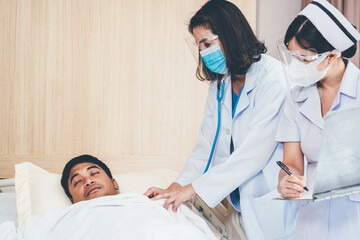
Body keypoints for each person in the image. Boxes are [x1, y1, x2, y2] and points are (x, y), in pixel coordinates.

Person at [145, 0, 296, 239]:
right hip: (238, 202)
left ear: (230, 35)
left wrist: (193, 190)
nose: (204, 53)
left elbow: (254, 153)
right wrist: (174, 188)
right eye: (199, 46)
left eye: (207, 43)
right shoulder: (220, 83)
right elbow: (206, 145)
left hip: (270, 195)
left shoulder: (273, 78)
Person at [276, 0, 360, 239]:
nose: (296, 66)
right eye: (293, 57)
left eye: (303, 59)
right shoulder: (295, 98)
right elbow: (291, 162)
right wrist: (286, 180)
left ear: (332, 56)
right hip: (311, 220)